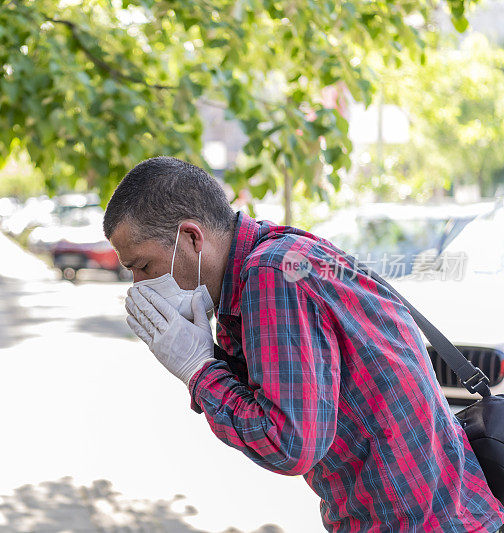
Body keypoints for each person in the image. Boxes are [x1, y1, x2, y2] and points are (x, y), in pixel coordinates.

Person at [103, 156, 504, 532]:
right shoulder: (273, 257)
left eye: (142, 266)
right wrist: (212, 356)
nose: (140, 285)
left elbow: (290, 443)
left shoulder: (270, 274)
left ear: (191, 237)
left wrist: (199, 370)